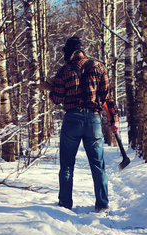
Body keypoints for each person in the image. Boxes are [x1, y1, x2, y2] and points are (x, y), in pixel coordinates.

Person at [49, 36, 119, 213]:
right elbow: (107, 96)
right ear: (82, 50)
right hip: (93, 120)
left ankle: (65, 204)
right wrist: (114, 120)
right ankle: (102, 204)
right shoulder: (98, 67)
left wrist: (51, 87)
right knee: (97, 165)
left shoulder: (64, 71)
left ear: (69, 52)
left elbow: (56, 99)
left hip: (72, 119)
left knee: (66, 165)